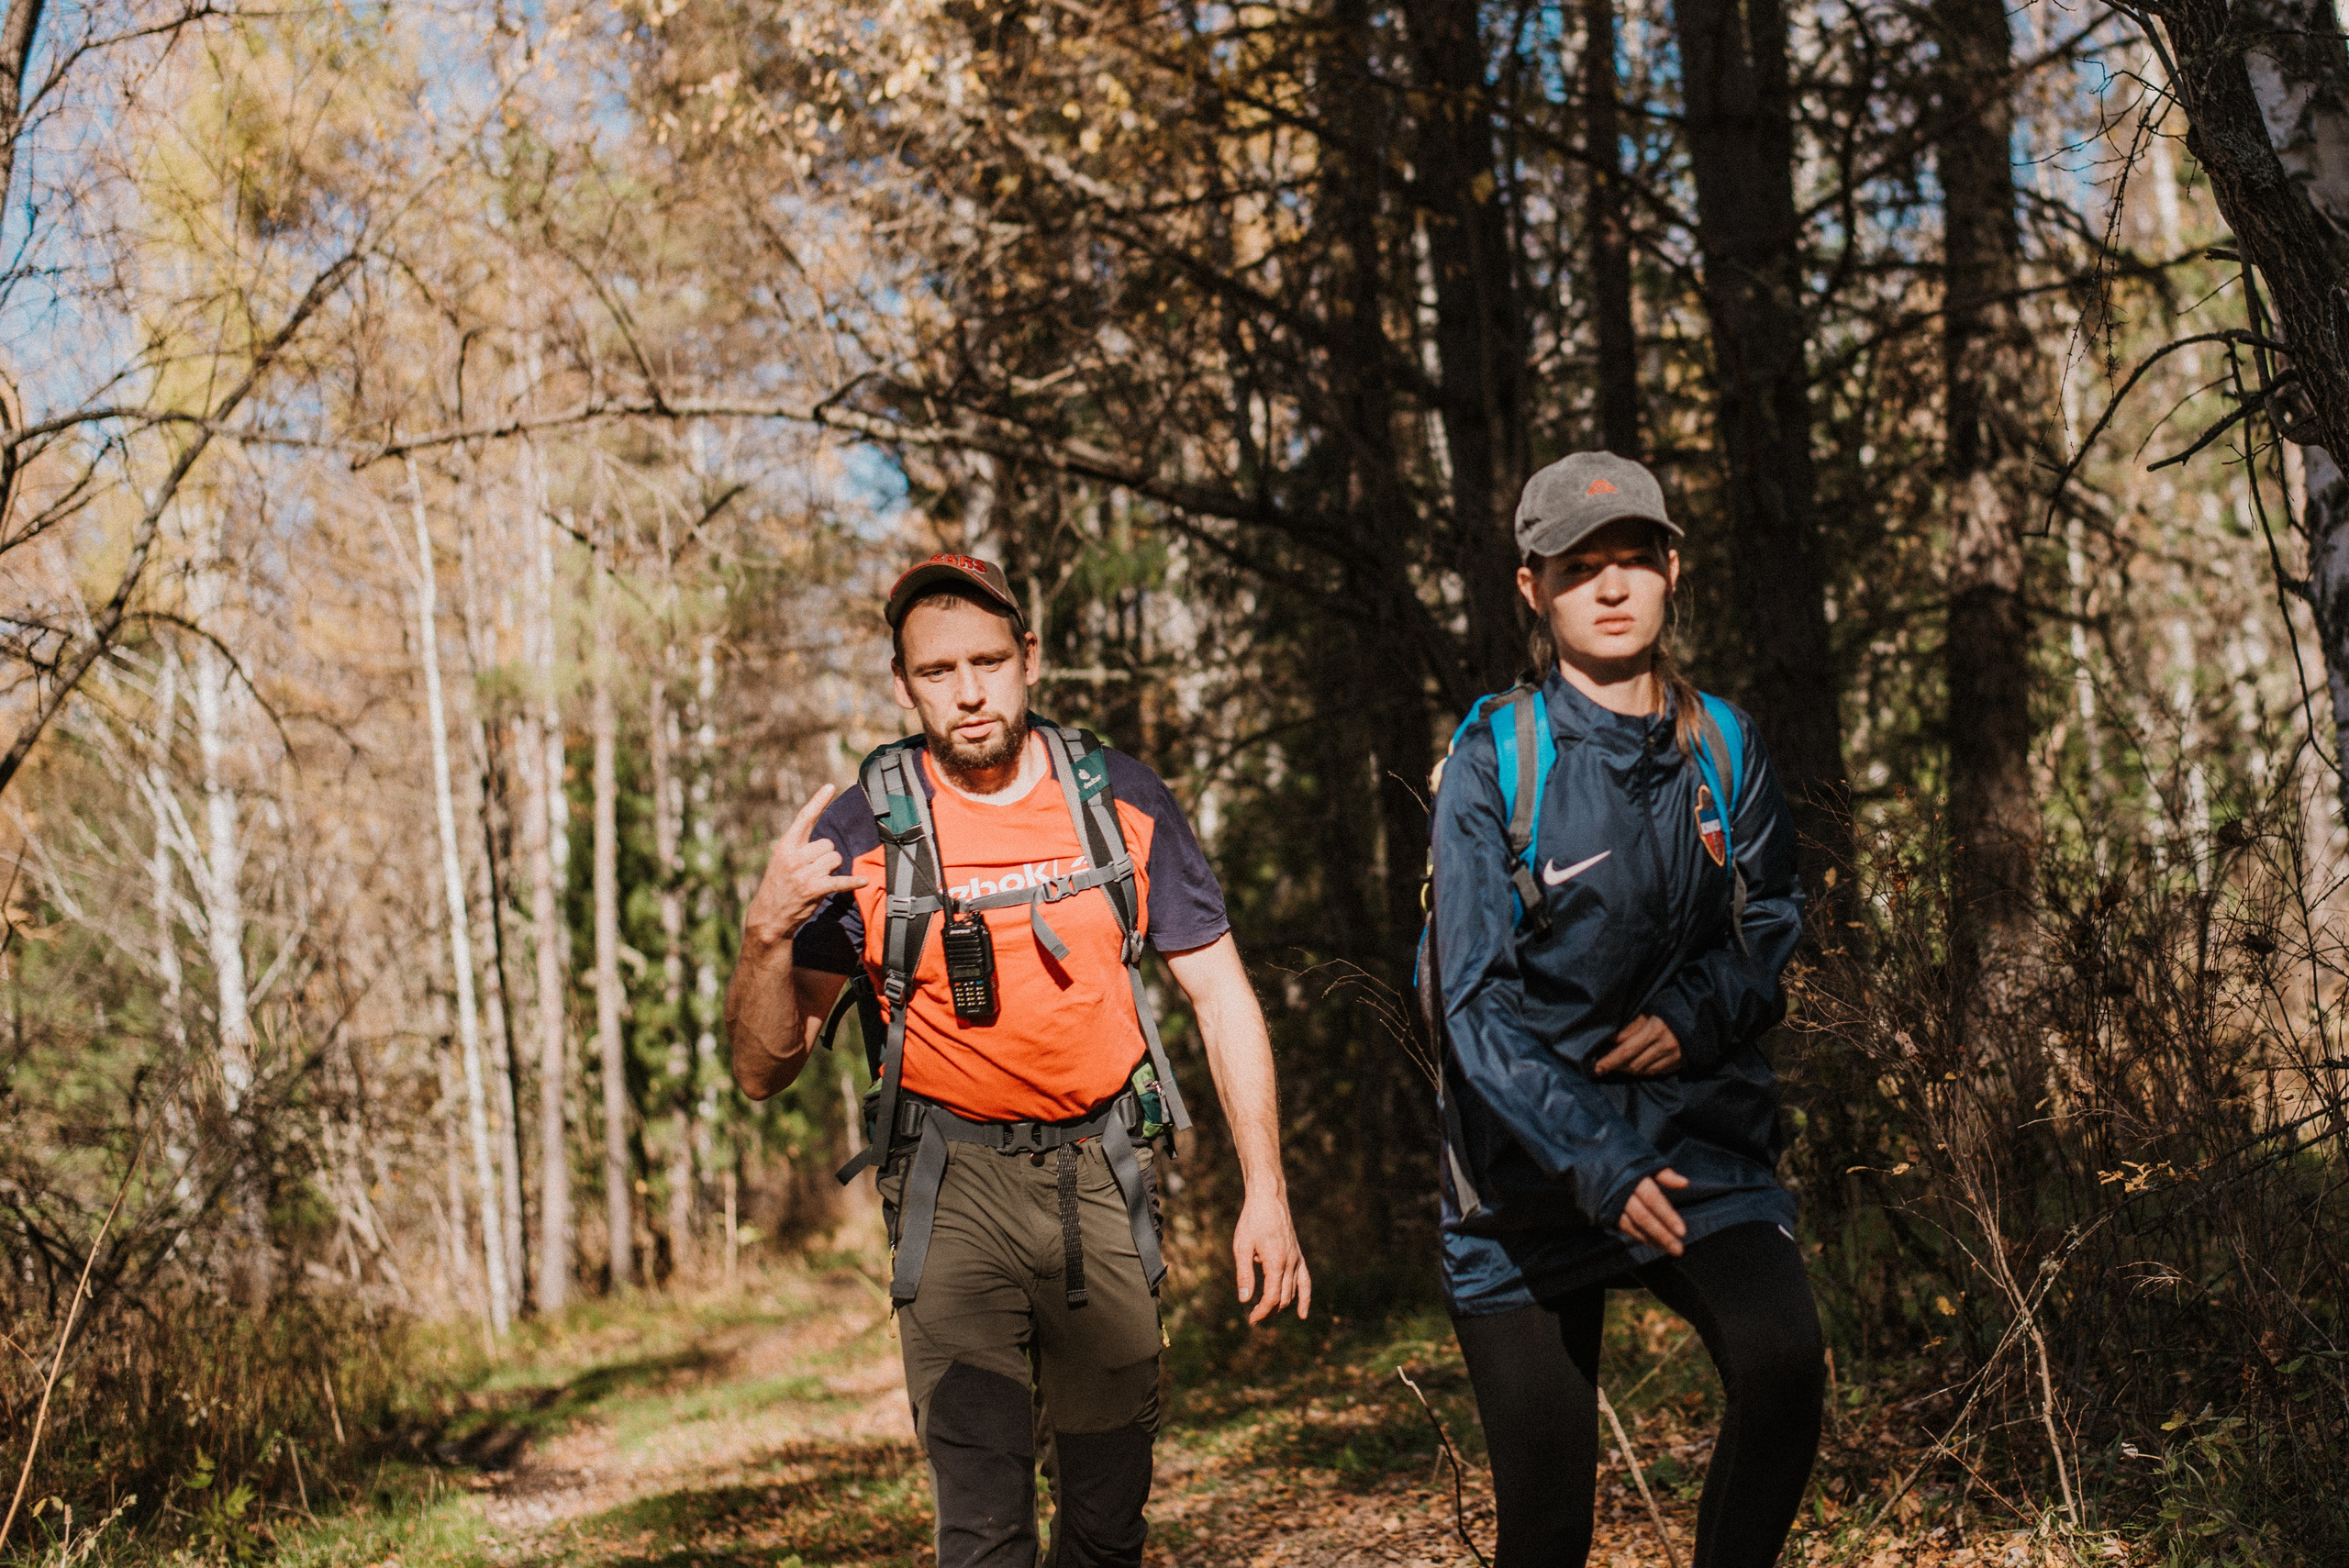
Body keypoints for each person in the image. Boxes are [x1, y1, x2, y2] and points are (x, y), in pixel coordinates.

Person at [726, 552, 1311, 1568]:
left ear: (1029, 658)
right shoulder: (861, 826)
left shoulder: (1118, 796)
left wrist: (1267, 1189)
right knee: (984, 1526)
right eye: (937, 670)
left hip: (1105, 1174)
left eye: (988, 661)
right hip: (949, 1192)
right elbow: (761, 1068)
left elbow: (1220, 993)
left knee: (1104, 1521)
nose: (967, 691)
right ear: (902, 683)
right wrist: (765, 936)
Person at [1427, 454, 1824, 1568]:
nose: (1609, 587)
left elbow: (1772, 913)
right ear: (1531, 589)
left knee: (1783, 1361)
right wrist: (1591, 1155)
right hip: (1523, 1173)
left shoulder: (1725, 744)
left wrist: (1701, 1010)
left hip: (1698, 1134)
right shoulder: (1493, 764)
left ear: (1671, 569)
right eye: (1577, 568)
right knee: (1548, 1528)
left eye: (1632, 560)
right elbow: (1471, 1001)